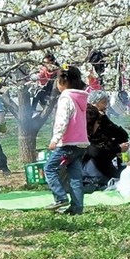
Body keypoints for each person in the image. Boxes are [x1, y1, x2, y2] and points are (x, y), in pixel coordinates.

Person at [44, 65, 90, 215]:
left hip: (68, 144)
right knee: (75, 176)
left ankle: (60, 198)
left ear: (63, 81)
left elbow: (62, 121)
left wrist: (54, 140)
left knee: (50, 169)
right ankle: (77, 208)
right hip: (81, 144)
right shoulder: (81, 98)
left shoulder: (66, 98)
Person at [84, 90, 129, 182]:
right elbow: (95, 151)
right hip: (93, 156)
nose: (106, 106)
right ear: (94, 103)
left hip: (102, 151)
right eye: (103, 103)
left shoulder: (101, 117)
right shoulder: (92, 116)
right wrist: (118, 149)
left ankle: (120, 174)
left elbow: (119, 133)